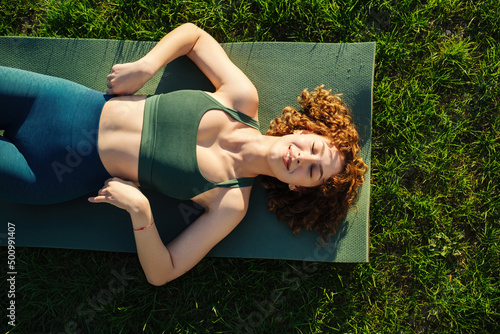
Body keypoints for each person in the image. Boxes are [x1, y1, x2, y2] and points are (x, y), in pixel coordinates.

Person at [0, 23, 366, 285]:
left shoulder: (231, 201)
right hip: (60, 104)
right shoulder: (241, 99)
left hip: (49, 173)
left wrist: (140, 212)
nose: (303, 159)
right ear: (305, 131)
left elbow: (164, 272)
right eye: (314, 149)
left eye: (312, 172)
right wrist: (146, 66)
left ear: (297, 188)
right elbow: (194, 36)